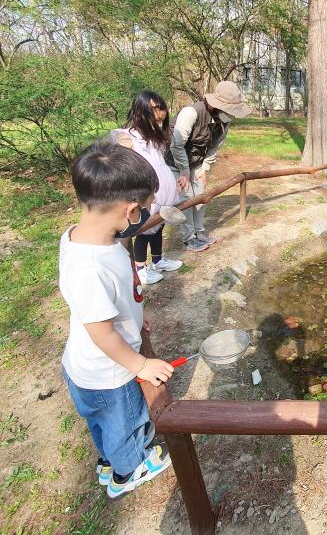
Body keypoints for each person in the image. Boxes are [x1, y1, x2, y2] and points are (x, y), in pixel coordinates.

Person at [60, 141, 175, 498]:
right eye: (143, 210)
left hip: (84, 368)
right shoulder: (90, 267)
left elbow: (109, 305)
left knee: (105, 424)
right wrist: (140, 364)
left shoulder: (79, 238)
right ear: (130, 211)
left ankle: (110, 459)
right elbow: (102, 334)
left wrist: (135, 318)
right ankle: (128, 470)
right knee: (125, 422)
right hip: (109, 373)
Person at [166, 81, 251, 252]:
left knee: (201, 196)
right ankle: (188, 238)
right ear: (216, 105)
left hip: (197, 162)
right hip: (175, 162)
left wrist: (204, 168)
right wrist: (183, 171)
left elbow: (214, 146)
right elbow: (177, 145)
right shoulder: (191, 113)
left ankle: (199, 231)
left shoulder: (224, 121)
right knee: (187, 199)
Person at [113, 91, 183, 285]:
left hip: (161, 196)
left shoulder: (155, 138)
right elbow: (117, 156)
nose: (159, 118)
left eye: (161, 111)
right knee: (143, 230)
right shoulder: (128, 137)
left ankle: (158, 260)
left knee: (158, 227)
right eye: (153, 111)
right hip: (144, 196)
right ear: (140, 112)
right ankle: (141, 269)